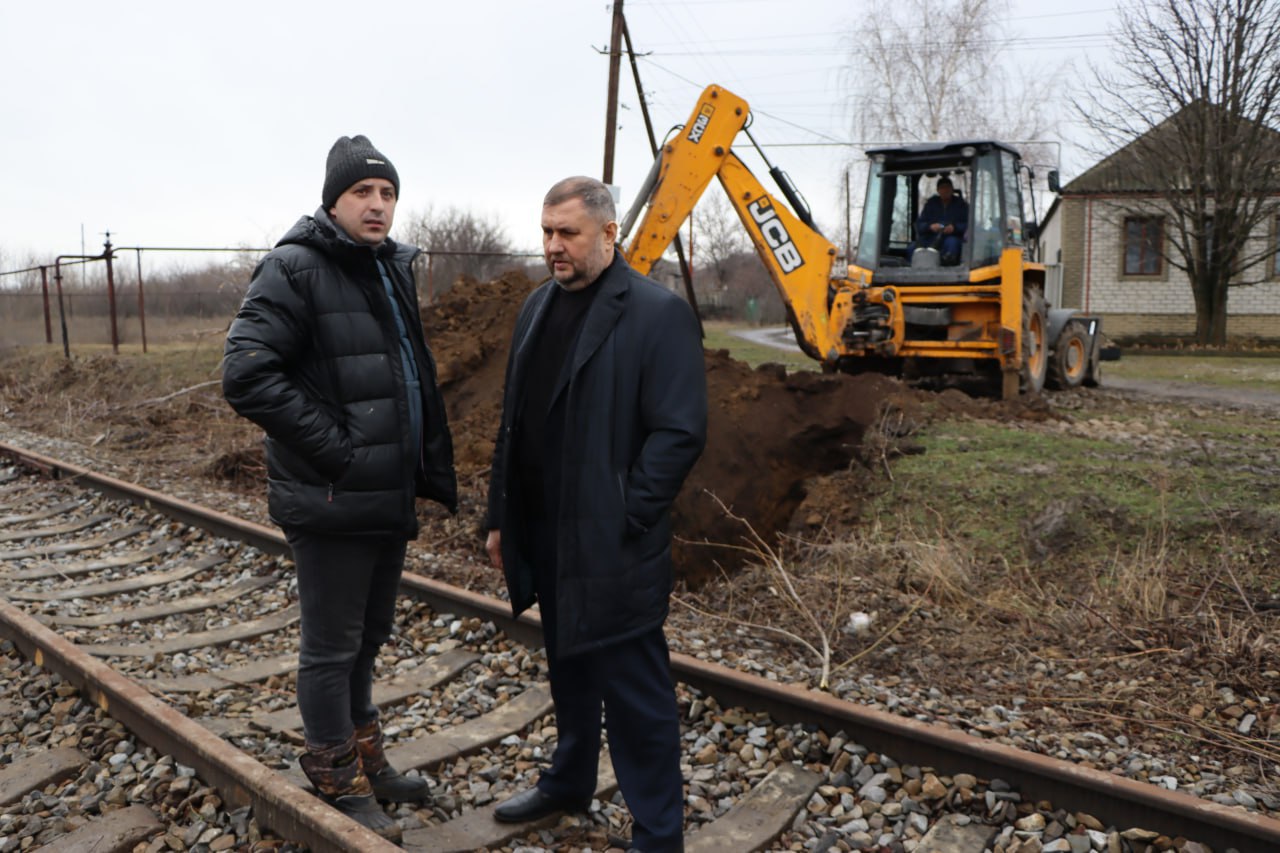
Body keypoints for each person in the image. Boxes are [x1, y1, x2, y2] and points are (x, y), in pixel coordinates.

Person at [222, 135, 457, 842]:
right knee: (331, 647)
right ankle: (333, 772)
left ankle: (364, 756)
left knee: (368, 637)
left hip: (383, 494)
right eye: (363, 192)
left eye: (387, 193)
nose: (378, 204)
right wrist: (340, 454)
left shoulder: (388, 268)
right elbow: (246, 374)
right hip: (334, 495)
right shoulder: (296, 267)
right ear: (334, 199)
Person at [484, 176, 707, 853]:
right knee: (569, 666)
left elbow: (679, 433)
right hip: (546, 534)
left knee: (636, 692)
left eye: (567, 233)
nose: (553, 245)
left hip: (612, 540)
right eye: (547, 231)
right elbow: (513, 425)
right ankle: (569, 780)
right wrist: (500, 516)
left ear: (609, 235)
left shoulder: (655, 314)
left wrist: (625, 511)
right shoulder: (534, 308)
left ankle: (658, 834)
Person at [914, 175, 969, 265]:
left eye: (948, 187)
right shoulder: (931, 204)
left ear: (952, 189)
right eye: (942, 188)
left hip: (952, 237)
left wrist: (954, 228)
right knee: (913, 247)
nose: (945, 190)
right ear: (938, 190)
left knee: (952, 243)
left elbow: (968, 225)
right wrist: (930, 227)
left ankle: (948, 265)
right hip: (931, 238)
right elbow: (920, 224)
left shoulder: (961, 205)